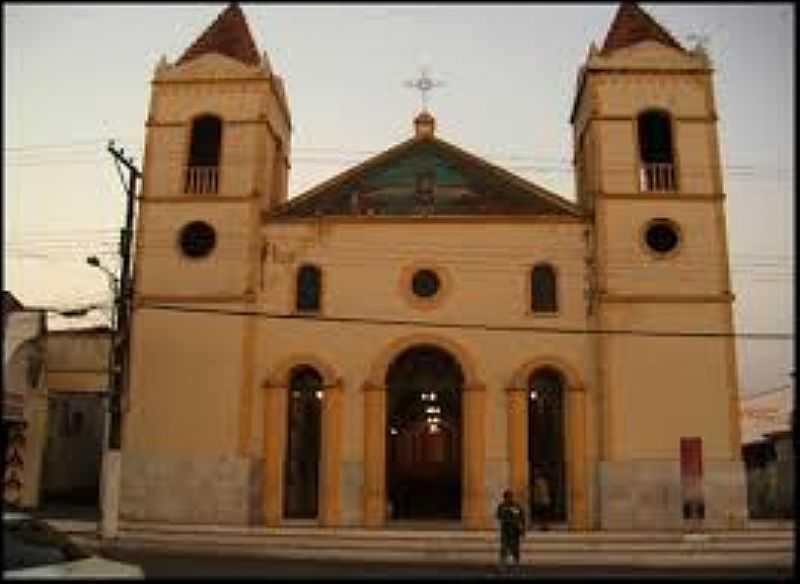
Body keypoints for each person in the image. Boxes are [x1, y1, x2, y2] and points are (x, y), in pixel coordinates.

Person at [496, 489, 525, 570]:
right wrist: (506, 518)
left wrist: (522, 529)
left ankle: (516, 564)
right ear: (505, 497)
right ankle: (503, 565)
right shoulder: (502, 506)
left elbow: (522, 517)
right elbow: (499, 516)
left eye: (510, 496)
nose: (509, 498)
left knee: (515, 548)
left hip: (515, 530)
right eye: (507, 496)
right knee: (504, 548)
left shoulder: (516, 506)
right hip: (506, 530)